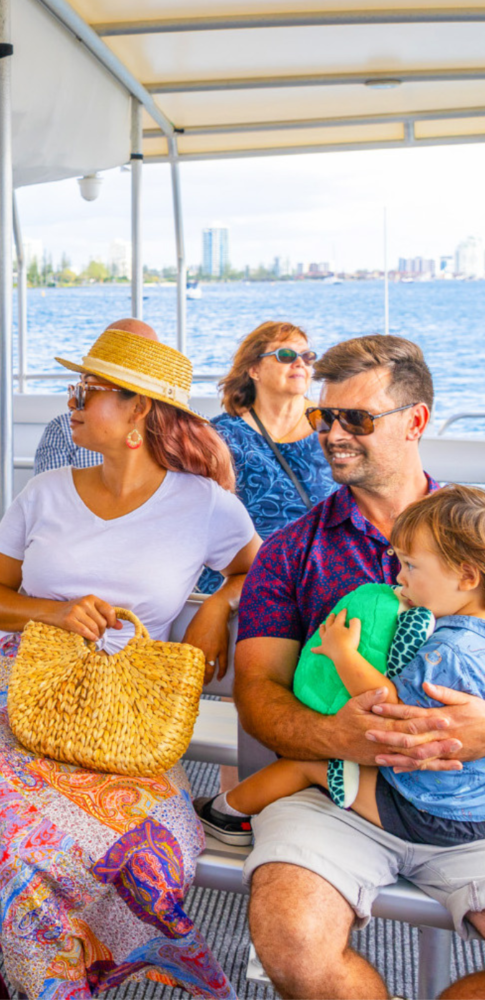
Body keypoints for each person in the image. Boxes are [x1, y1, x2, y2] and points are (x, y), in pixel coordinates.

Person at [0, 326, 260, 999]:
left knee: (146, 845)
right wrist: (54, 610)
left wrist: (220, 604)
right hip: (18, 686)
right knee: (11, 837)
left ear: (139, 410)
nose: (72, 402)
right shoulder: (45, 492)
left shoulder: (204, 506)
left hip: (125, 710)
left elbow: (260, 572)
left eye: (88, 391)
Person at [233, 334, 485, 1000]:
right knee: (292, 943)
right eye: (325, 417)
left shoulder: (478, 534)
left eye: (358, 419)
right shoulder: (288, 553)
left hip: (475, 797)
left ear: (417, 421)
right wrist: (338, 739)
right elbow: (257, 694)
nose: (334, 434)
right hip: (338, 799)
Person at [197, 486, 485, 890]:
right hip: (469, 807)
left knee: (310, 765)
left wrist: (343, 653)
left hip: (425, 811)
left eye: (410, 566)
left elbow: (392, 708)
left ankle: (221, 813)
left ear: (467, 576)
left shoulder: (447, 648)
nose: (398, 577)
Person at [197, 320, 335, 593]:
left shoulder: (332, 426)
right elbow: (204, 517)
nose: (300, 363)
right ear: (254, 369)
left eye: (307, 357)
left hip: (323, 577)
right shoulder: (221, 436)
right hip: (247, 580)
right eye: (285, 355)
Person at [33, 317, 158, 474]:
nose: (72, 403)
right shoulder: (63, 430)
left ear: (138, 407)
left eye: (90, 388)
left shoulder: (187, 438)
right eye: (81, 387)